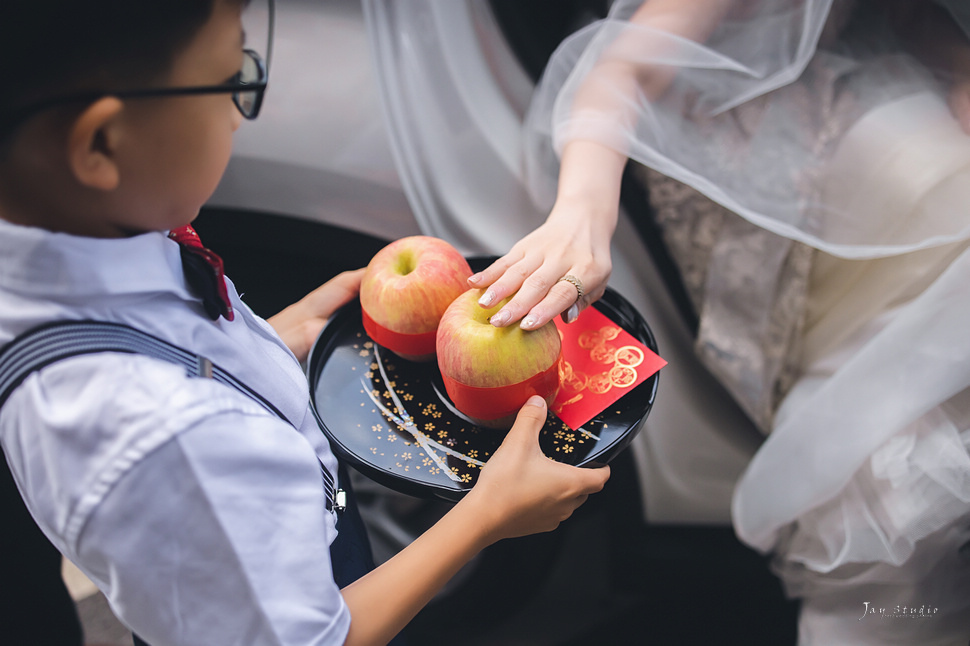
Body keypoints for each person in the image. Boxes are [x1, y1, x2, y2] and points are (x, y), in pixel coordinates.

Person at [0, 2, 610, 646]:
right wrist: (487, 515)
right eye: (233, 79)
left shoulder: (83, 237)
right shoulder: (164, 434)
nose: (238, 113)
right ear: (102, 143)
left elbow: (169, 349)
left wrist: (276, 339)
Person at [471, 0, 970, 643]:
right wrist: (582, 216)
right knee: (889, 475)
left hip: (883, 101)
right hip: (768, 157)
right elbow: (624, 70)